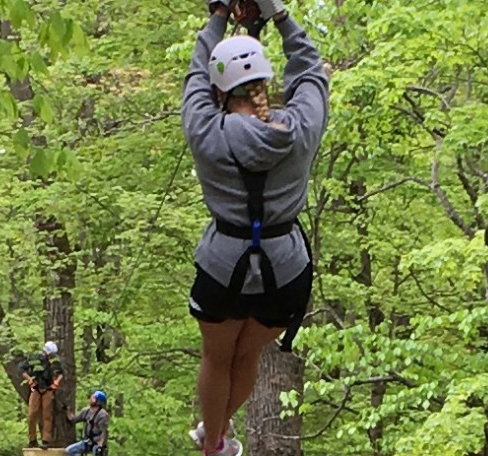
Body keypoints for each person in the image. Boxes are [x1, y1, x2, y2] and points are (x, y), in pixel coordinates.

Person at [181, 0, 329, 454]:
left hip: (224, 262)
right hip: (284, 268)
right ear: (265, 83)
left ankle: (214, 446)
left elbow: (193, 78)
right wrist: (279, 16)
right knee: (248, 356)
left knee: (218, 355)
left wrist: (219, 16)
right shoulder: (300, 127)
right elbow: (311, 73)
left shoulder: (206, 131)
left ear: (220, 91)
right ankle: (219, 434)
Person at [19, 340, 64, 449]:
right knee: (32, 414)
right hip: (36, 389)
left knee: (47, 415)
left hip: (48, 390)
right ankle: (32, 439)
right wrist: (29, 379)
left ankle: (46, 440)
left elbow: (61, 373)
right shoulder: (35, 359)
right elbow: (21, 369)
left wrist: (56, 382)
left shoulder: (55, 362)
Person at [65, 391, 110, 456]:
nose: (91, 399)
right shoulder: (86, 411)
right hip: (87, 442)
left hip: (97, 443)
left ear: (98, 401)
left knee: (98, 453)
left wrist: (100, 447)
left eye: (93, 398)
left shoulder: (103, 415)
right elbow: (73, 420)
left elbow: (104, 433)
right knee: (69, 450)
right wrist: (67, 410)